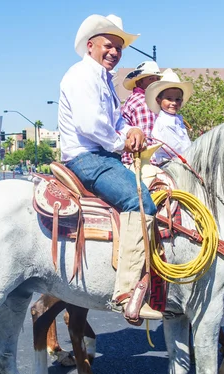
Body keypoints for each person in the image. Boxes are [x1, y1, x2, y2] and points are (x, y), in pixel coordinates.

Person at [58, 14, 162, 321]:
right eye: (108, 45)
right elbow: (90, 125)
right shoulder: (81, 76)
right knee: (139, 198)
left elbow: (115, 120)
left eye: (119, 47)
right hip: (88, 158)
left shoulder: (104, 79)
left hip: (103, 155)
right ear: (91, 46)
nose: (114, 52)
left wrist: (132, 130)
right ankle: (126, 291)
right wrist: (122, 143)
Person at [145, 68, 193, 166]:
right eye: (169, 99)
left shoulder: (176, 120)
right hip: (169, 165)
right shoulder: (163, 123)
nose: (174, 103)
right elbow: (177, 147)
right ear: (158, 100)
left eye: (178, 99)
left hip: (181, 162)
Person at [120, 61, 161, 164]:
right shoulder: (145, 103)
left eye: (157, 79)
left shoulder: (132, 98)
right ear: (139, 83)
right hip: (141, 162)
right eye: (151, 79)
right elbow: (147, 140)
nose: (155, 83)